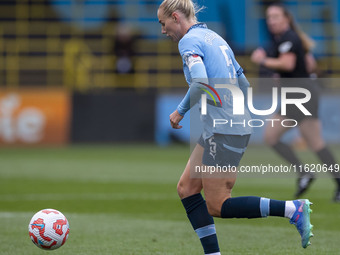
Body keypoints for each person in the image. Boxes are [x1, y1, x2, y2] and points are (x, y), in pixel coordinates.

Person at [157, 1, 313, 254]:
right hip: (221, 127)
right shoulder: (215, 38)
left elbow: (200, 83)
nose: (163, 31)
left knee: (217, 205)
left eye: (163, 24)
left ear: (175, 17)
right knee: (187, 189)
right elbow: (243, 83)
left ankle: (291, 209)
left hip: (224, 129)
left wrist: (179, 111)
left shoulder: (189, 42)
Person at [251, 3, 340, 202]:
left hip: (301, 97)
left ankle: (307, 174)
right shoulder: (283, 39)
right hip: (298, 95)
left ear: (286, 19)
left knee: (286, 138)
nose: (271, 20)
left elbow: (288, 63)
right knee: (296, 140)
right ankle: (309, 174)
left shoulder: (288, 37)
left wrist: (263, 61)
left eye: (275, 16)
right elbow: (309, 63)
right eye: (269, 17)